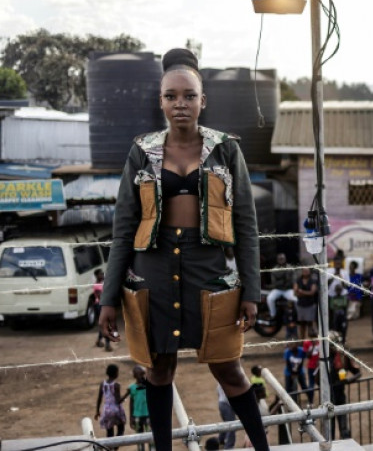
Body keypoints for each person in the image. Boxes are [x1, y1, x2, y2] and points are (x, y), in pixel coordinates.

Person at [98, 49, 267, 451]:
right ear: (161, 101)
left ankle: (263, 449)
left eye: (189, 96)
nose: (180, 104)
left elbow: (245, 225)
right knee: (159, 370)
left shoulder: (226, 149)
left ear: (202, 101)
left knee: (229, 369)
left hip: (208, 273)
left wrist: (252, 291)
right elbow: (123, 228)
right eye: (171, 96)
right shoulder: (142, 151)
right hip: (152, 274)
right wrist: (108, 298)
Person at [327, 331, 362, 439]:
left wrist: (348, 380)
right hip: (327, 399)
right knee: (329, 430)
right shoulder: (324, 359)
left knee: (344, 428)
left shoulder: (344, 356)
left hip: (340, 396)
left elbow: (358, 372)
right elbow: (316, 379)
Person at [96, 364, 127, 440]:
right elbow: (118, 401)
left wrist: (97, 411)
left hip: (106, 410)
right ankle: (116, 447)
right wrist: (127, 394)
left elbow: (99, 399)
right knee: (121, 429)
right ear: (115, 373)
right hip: (116, 410)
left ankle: (110, 447)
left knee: (109, 432)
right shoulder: (116, 385)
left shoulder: (102, 384)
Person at [266, 253, 297, 318]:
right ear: (277, 260)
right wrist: (283, 280)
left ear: (285, 259)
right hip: (278, 289)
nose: (281, 260)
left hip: (288, 289)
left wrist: (294, 288)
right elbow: (274, 283)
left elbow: (294, 280)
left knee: (296, 299)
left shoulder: (290, 268)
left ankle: (297, 315)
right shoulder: (274, 270)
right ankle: (273, 315)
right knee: (270, 298)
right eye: (280, 259)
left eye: (283, 259)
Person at [126, 366, 150, 449]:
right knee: (139, 439)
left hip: (148, 415)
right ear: (134, 376)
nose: (140, 377)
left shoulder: (148, 386)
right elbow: (131, 403)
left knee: (151, 438)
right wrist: (131, 417)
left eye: (141, 374)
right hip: (137, 416)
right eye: (137, 375)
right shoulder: (132, 388)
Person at [294, 267, 319, 340]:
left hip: (310, 305)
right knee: (302, 324)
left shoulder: (312, 281)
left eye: (306, 271)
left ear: (309, 272)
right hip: (301, 305)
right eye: (304, 271)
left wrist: (301, 292)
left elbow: (312, 292)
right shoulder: (298, 280)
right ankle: (302, 340)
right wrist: (305, 293)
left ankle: (310, 341)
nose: (305, 272)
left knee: (310, 324)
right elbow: (295, 292)